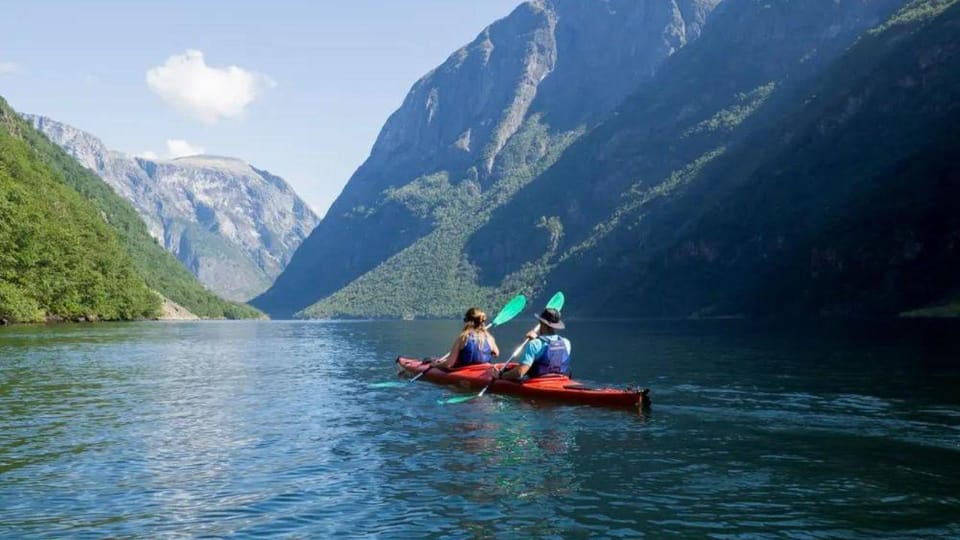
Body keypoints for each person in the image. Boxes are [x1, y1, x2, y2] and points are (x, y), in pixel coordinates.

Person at [499, 308, 571, 381]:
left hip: (538, 382)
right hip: (560, 380)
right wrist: (537, 338)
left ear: (541, 323)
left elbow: (520, 372)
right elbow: (551, 350)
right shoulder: (566, 343)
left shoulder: (534, 344)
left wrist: (501, 376)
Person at [432, 307, 499, 369]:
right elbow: (496, 354)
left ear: (467, 321)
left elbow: (449, 364)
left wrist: (434, 365)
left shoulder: (463, 338)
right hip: (484, 370)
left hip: (466, 369)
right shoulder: (489, 338)